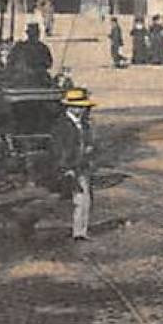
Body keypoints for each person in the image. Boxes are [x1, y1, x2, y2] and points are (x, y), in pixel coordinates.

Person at [51, 87, 97, 240]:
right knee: (78, 199)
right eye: (79, 107)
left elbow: (88, 141)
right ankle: (78, 232)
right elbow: (59, 149)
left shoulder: (83, 124)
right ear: (70, 107)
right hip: (71, 167)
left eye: (84, 107)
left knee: (86, 199)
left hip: (83, 165)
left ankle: (82, 230)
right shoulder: (62, 125)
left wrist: (90, 151)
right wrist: (66, 168)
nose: (82, 110)